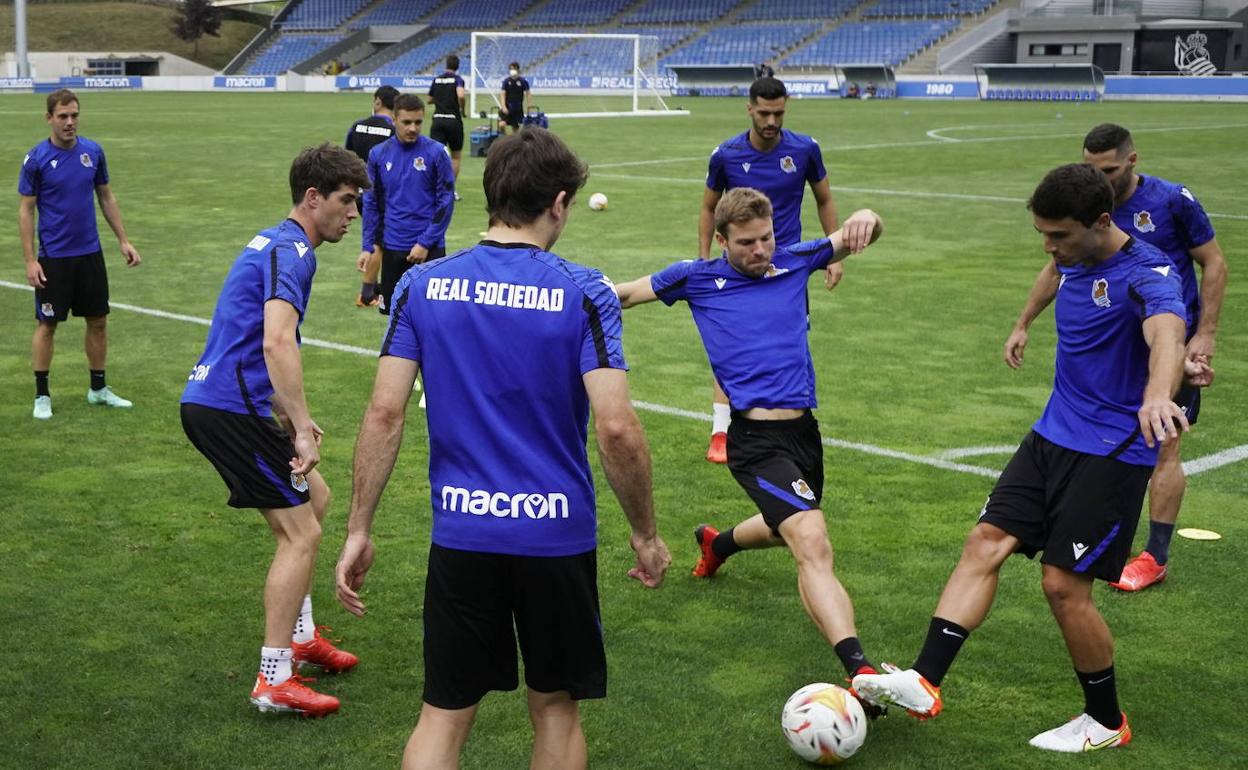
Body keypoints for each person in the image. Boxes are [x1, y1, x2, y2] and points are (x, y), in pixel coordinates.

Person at [335, 127, 670, 769]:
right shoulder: (584, 291)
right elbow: (618, 428)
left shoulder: (419, 285)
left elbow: (384, 412)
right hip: (555, 538)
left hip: (462, 534)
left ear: (489, 194)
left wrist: (358, 527)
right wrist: (646, 535)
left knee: (443, 713)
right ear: (561, 203)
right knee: (555, 708)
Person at [852, 163, 1200, 752]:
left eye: (1059, 235)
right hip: (1051, 435)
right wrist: (1022, 322)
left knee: (1063, 586)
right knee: (984, 542)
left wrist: (1159, 392)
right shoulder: (1072, 255)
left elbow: (1166, 334)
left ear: (1100, 222)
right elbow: (1054, 271)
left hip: (1113, 451)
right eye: (1042, 233)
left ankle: (1106, 722)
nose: (1049, 246)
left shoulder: (1150, 272)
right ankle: (923, 680)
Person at [614, 187, 883, 688]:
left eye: (766, 238)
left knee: (787, 527)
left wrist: (868, 216)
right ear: (722, 240)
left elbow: (852, 235)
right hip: (754, 440)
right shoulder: (696, 278)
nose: (761, 251)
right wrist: (571, 295)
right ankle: (861, 671)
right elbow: (626, 295)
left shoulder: (794, 260)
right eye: (747, 243)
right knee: (811, 540)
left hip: (805, 434)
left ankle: (718, 545)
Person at [181, 143, 371, 717]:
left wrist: (290, 417)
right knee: (301, 535)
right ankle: (274, 678)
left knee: (317, 498)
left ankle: (302, 634)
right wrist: (303, 431)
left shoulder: (276, 242)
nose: (354, 213)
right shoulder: (294, 253)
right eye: (346, 200)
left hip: (225, 401)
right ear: (313, 199)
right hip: (227, 410)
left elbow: (254, 339)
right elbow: (275, 340)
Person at [1003, 123, 1228, 593]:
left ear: (1131, 160)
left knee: (1163, 441)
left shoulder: (1171, 202)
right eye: (1090, 168)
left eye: (1106, 169)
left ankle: (1155, 556)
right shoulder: (1082, 206)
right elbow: (1057, 267)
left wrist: (1203, 334)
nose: (1099, 177)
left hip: (1166, 343)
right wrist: (1024, 322)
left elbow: (1214, 262)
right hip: (1116, 345)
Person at [698, 76, 841, 464]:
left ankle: (788, 421)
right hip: (738, 267)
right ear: (749, 109)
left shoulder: (805, 149)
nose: (771, 121)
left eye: (778, 113)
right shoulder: (726, 155)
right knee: (733, 343)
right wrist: (703, 257)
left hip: (788, 270)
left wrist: (835, 253)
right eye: (763, 113)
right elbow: (710, 207)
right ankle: (721, 430)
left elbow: (824, 198)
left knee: (789, 344)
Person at [20, 88, 141, 420]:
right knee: (47, 324)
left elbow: (106, 197)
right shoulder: (36, 160)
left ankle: (98, 388)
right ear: (49, 118)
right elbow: (26, 211)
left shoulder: (93, 152)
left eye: (74, 115)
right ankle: (42, 394)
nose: (70, 122)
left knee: (98, 321)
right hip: (54, 258)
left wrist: (123, 240)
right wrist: (31, 260)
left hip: (90, 253)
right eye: (63, 116)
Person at [359, 93, 455, 315]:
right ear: (394, 120)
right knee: (394, 316)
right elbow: (371, 203)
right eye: (407, 122)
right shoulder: (378, 154)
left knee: (431, 317)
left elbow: (445, 201)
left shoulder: (436, 152)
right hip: (393, 247)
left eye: (418, 122)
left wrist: (425, 243)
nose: (413, 128)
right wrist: (367, 247)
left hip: (428, 249)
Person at [344, 84, 398, 308]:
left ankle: (375, 287)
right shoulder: (393, 131)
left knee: (379, 238)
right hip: (382, 194)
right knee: (380, 242)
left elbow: (347, 158)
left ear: (377, 102)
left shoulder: (357, 126)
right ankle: (367, 294)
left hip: (359, 192)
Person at [428, 55, 466, 201]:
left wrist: (440, 98)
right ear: (457, 66)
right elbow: (461, 95)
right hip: (453, 120)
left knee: (436, 156)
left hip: (437, 120)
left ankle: (434, 189)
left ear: (446, 65)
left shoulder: (437, 79)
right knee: (455, 156)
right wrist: (462, 109)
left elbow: (429, 99)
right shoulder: (457, 79)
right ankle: (450, 190)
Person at [498, 61, 531, 135]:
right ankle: (504, 137)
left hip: (517, 108)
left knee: (515, 128)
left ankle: (514, 142)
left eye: (513, 69)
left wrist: (529, 105)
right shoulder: (506, 81)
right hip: (507, 107)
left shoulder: (523, 81)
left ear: (518, 69)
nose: (511, 70)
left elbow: (528, 93)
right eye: (510, 69)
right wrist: (503, 107)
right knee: (501, 124)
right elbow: (502, 94)